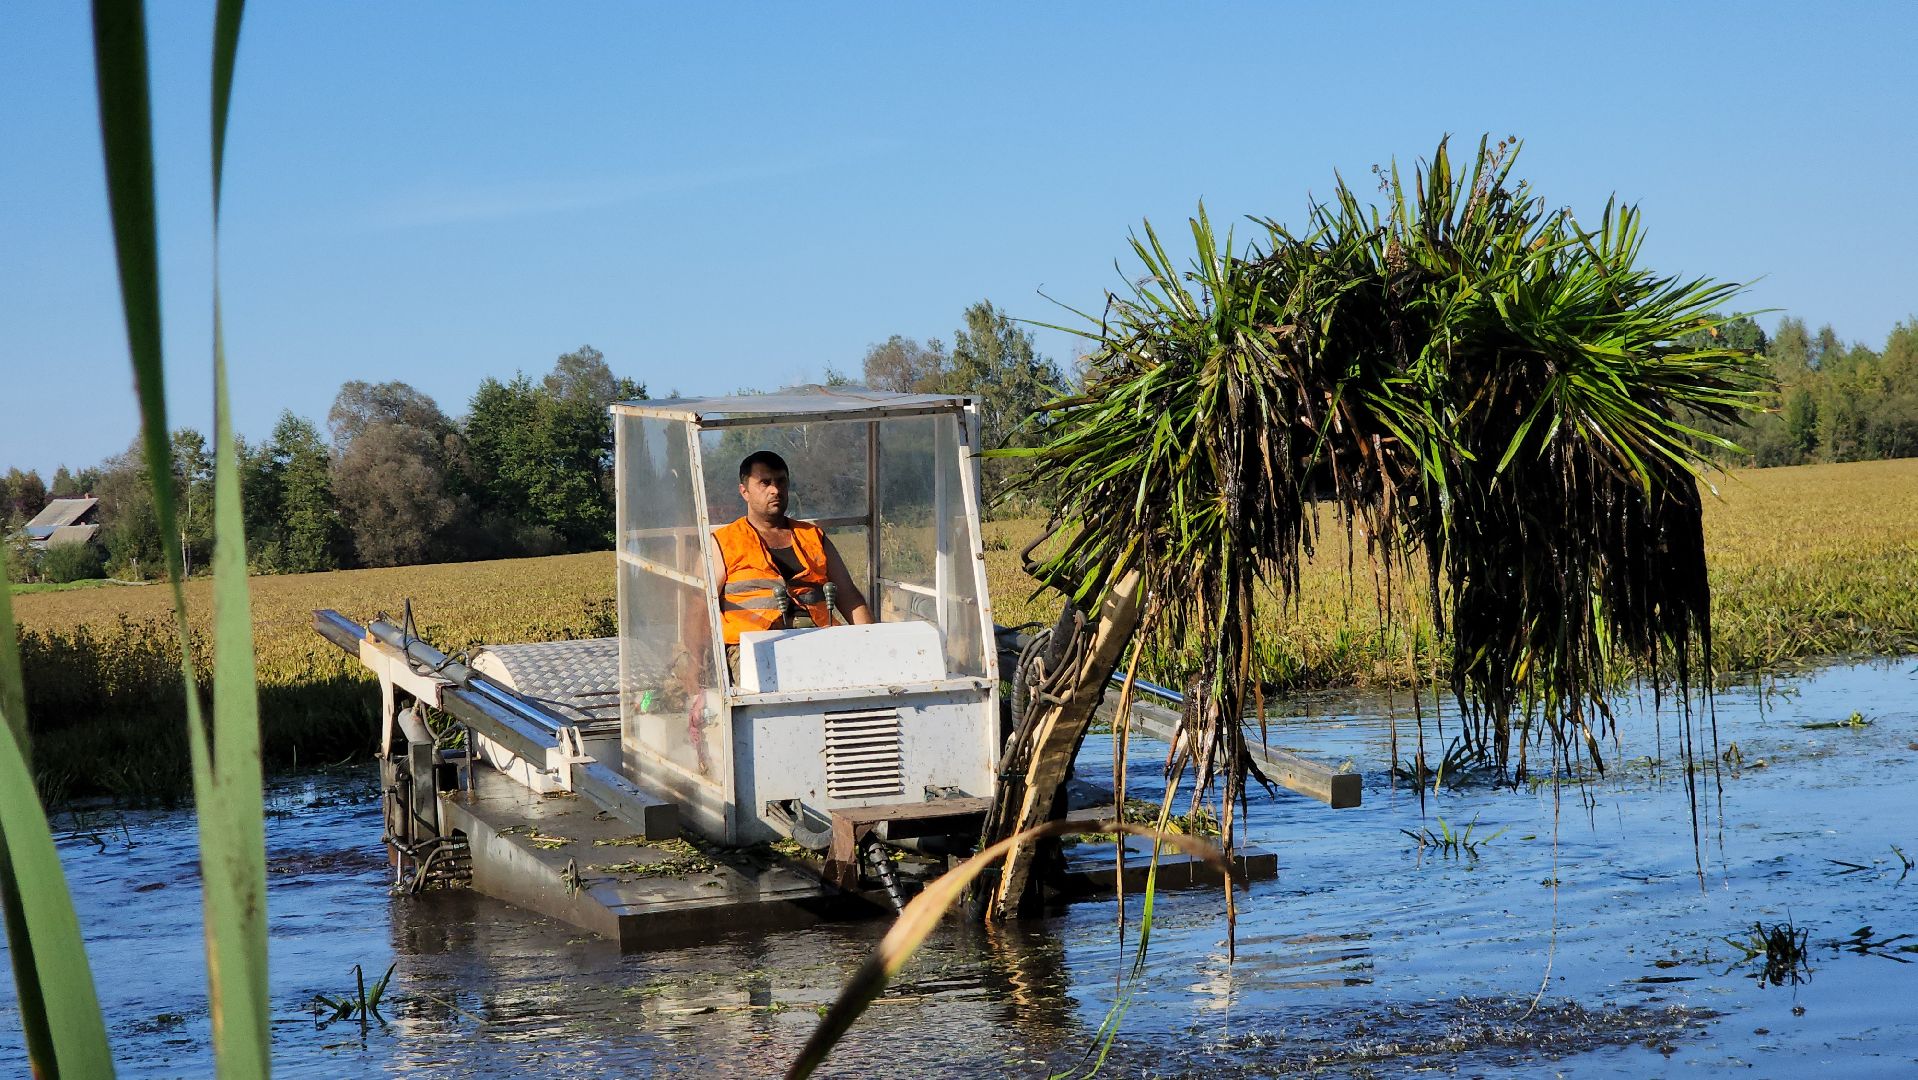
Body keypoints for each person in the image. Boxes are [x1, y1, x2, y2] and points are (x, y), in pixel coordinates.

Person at [712, 450, 872, 674]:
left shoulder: (813, 536)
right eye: (765, 483)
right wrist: (698, 668)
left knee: (852, 678)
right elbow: (700, 606)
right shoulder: (723, 542)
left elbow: (848, 595)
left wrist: (871, 643)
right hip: (752, 648)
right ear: (744, 491)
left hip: (819, 639)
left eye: (781, 482)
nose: (775, 490)